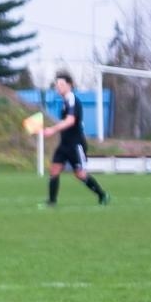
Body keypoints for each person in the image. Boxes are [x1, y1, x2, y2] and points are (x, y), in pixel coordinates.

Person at [40, 71, 110, 207]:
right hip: (64, 144)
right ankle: (51, 202)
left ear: (69, 85)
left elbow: (70, 121)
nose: (58, 87)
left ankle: (102, 195)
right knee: (54, 170)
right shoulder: (65, 102)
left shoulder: (72, 99)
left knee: (80, 174)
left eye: (61, 84)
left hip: (75, 145)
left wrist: (52, 130)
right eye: (57, 85)